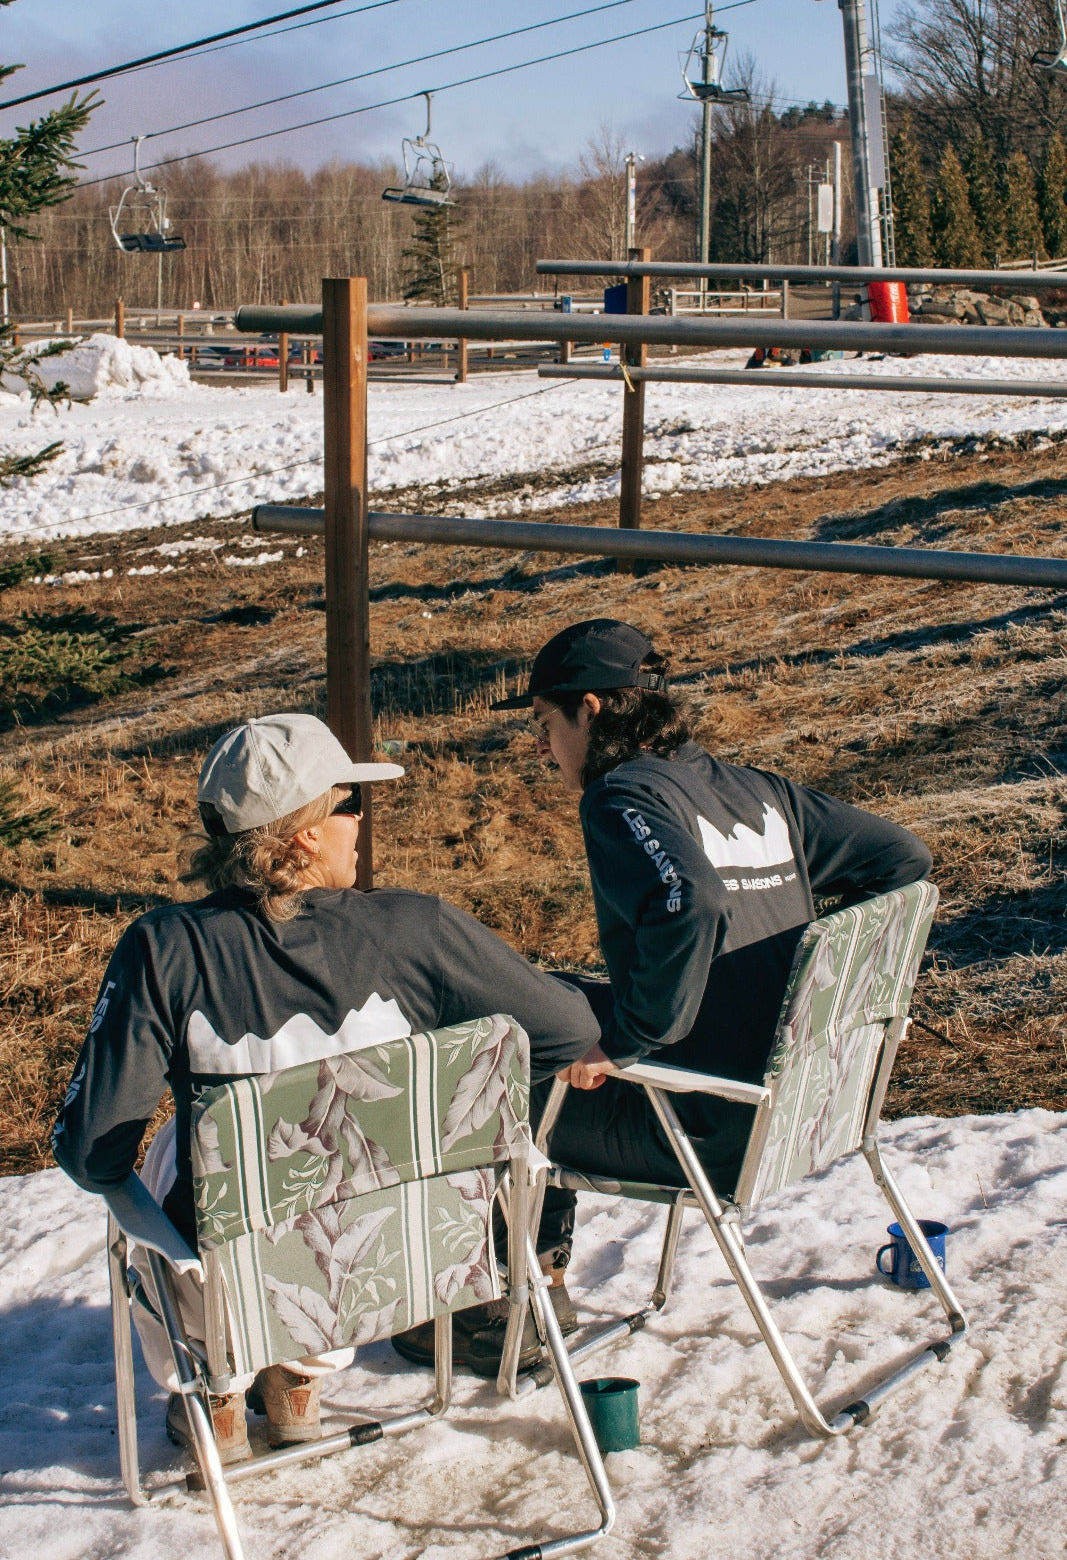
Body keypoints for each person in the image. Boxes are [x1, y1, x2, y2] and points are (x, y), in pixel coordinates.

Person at [52, 712, 600, 1462]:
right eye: (349, 803)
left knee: (176, 1153)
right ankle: (300, 1381)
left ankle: (219, 1391)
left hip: (231, 1293)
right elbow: (567, 1028)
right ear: (304, 831)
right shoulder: (417, 930)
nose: (359, 821)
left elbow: (91, 1151)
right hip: (399, 1268)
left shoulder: (166, 949)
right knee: (338, 1157)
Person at [464, 617, 933, 1374]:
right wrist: (806, 961)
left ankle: (511, 1304)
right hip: (801, 1102)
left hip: (701, 1121)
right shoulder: (754, 791)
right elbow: (903, 859)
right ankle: (529, 1278)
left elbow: (691, 902)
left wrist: (626, 1040)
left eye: (544, 725)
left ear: (590, 708)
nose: (541, 748)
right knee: (539, 1001)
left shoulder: (621, 797)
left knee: (485, 1067)